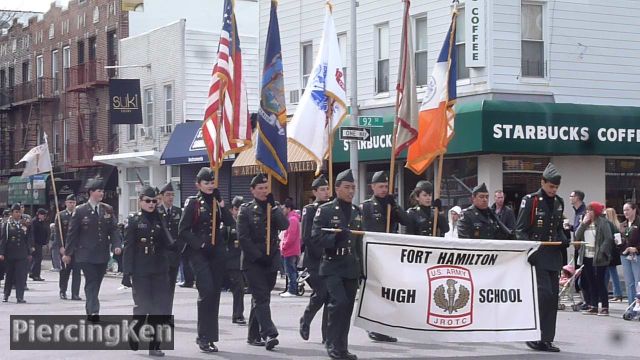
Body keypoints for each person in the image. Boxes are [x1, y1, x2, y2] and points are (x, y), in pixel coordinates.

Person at [178, 167, 234, 353]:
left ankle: (211, 337)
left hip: (216, 252)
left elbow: (230, 222)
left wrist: (222, 204)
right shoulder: (193, 203)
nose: (210, 185)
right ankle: (202, 336)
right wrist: (200, 245)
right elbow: (183, 230)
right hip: (200, 253)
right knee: (207, 291)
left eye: (212, 182)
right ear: (198, 185)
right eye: (206, 183)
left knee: (215, 293)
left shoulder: (217, 201)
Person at [515, 163, 568, 353]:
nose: (553, 190)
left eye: (556, 187)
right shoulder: (531, 200)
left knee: (553, 297)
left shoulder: (559, 202)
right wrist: (531, 251)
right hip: (537, 256)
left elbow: (559, 229)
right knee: (543, 295)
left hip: (553, 257)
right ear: (543, 182)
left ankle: (546, 339)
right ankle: (533, 335)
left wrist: (564, 240)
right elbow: (520, 231)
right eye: (551, 186)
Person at [311, 169, 362, 360]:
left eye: (353, 188)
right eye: (347, 187)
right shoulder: (325, 210)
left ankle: (342, 347)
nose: (351, 191)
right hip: (332, 264)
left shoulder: (357, 212)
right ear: (337, 188)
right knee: (338, 303)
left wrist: (362, 269)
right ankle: (331, 344)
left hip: (350, 265)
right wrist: (335, 237)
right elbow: (315, 238)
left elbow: (360, 244)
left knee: (347, 307)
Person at [237, 173, 289, 351]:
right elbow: (243, 237)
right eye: (260, 188)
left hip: (271, 259)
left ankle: (253, 335)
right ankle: (269, 333)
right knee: (261, 297)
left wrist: (274, 208)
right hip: (254, 261)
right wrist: (258, 255)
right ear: (252, 190)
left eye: (266, 188)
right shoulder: (246, 209)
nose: (263, 191)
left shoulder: (272, 207)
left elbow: (284, 226)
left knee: (261, 299)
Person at [123, 186, 174, 357]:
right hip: (141, 270)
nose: (151, 204)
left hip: (159, 269)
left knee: (159, 308)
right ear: (140, 201)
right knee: (142, 306)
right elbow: (129, 248)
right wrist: (126, 272)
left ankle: (155, 345)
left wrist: (162, 220)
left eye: (154, 201)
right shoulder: (134, 220)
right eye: (148, 201)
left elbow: (169, 243)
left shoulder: (161, 218)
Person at [63, 178, 122, 321]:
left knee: (97, 282)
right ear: (91, 192)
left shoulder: (107, 209)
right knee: (92, 280)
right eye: (98, 191)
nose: (101, 193)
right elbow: (72, 233)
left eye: (102, 191)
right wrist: (68, 253)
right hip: (85, 255)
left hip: (102, 254)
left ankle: (90, 307)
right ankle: (94, 311)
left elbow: (114, 229)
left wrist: (116, 245)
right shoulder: (80, 210)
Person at [360, 170, 409, 343]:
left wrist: (395, 206)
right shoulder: (366, 206)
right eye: (380, 186)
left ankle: (382, 327)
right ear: (372, 187)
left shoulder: (390, 205)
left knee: (387, 293)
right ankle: (373, 328)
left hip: (389, 254)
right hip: (373, 254)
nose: (383, 189)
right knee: (374, 291)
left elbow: (407, 221)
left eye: (386, 186)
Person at [299, 175, 331, 343]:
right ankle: (306, 319)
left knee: (330, 296)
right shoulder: (310, 209)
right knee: (321, 293)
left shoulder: (333, 208)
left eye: (327, 189)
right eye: (322, 190)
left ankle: (328, 335)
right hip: (315, 260)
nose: (326, 192)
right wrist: (321, 252)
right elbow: (306, 236)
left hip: (331, 259)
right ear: (315, 192)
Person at [574, 202, 615, 316]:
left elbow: (608, 238)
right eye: (587, 211)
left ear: (595, 212)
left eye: (590, 210)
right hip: (586, 255)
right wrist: (582, 224)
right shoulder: (585, 223)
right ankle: (593, 305)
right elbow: (577, 237)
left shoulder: (603, 222)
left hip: (599, 257)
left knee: (600, 281)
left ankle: (605, 307)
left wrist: (602, 251)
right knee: (590, 281)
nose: (588, 213)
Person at [157, 182, 183, 313]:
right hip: (161, 255)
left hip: (174, 255)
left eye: (172, 195)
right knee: (161, 285)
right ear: (161, 196)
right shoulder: (156, 211)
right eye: (168, 195)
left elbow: (182, 232)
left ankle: (167, 312)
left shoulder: (178, 212)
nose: (171, 197)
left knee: (171, 285)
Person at [0, 203, 34, 303]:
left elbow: (28, 238)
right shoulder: (7, 224)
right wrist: (1, 253)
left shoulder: (25, 223)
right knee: (9, 275)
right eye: (16, 212)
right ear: (12, 213)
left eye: (19, 212)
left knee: (21, 276)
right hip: (10, 254)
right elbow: (3, 240)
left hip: (22, 254)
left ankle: (20, 296)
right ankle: (6, 294)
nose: (18, 214)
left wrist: (29, 252)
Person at [54, 194, 82, 301]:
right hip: (65, 248)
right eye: (70, 202)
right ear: (66, 203)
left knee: (77, 272)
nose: (72, 204)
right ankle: (63, 291)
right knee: (65, 271)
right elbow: (57, 233)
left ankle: (75, 293)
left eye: (74, 202)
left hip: (77, 248)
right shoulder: (61, 215)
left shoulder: (79, 215)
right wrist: (60, 247)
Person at [224, 196, 246, 325]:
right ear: (232, 210)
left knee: (240, 288)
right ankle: (237, 314)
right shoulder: (227, 224)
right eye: (236, 209)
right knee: (238, 288)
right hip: (230, 261)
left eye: (240, 209)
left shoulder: (244, 223)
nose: (238, 212)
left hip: (243, 261)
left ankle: (238, 314)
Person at [619, 202, 640, 305]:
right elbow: (621, 240)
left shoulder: (638, 222)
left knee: (638, 282)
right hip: (625, 255)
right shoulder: (623, 224)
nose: (625, 212)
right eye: (624, 210)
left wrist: (636, 249)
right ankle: (631, 306)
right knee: (629, 283)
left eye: (627, 210)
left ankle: (638, 305)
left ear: (634, 210)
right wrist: (618, 242)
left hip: (637, 255)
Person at [280, 198, 301, 297]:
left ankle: (292, 290)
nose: (282, 210)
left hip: (290, 250)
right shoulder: (291, 219)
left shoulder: (292, 220)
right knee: (291, 271)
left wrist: (284, 246)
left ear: (288, 208)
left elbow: (291, 236)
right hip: (291, 249)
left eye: (283, 208)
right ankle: (292, 289)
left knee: (290, 271)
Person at [604, 207, 623, 302]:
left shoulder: (609, 226)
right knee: (610, 273)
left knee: (610, 273)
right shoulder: (616, 225)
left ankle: (617, 293)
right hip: (614, 252)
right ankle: (611, 292)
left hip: (610, 252)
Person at [29, 208, 49, 281]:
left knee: (38, 259)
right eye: (43, 214)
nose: (44, 216)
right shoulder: (34, 222)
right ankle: (35, 274)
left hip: (40, 243)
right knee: (37, 259)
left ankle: (34, 273)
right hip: (36, 243)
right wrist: (32, 245)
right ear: (39, 214)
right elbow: (32, 234)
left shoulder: (42, 222)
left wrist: (45, 242)